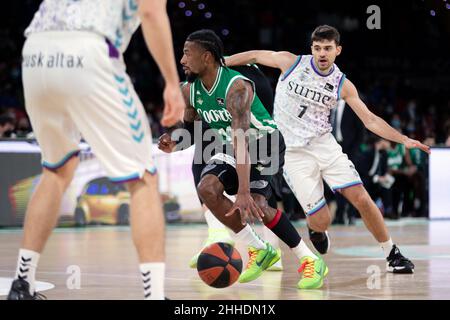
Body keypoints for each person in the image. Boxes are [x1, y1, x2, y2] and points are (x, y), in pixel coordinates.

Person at [8, 0, 184, 300]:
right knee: (143, 176)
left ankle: (22, 283)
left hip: (35, 51)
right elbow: (152, 11)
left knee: (56, 169)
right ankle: (153, 296)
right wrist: (171, 82)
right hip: (88, 47)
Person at [226, 25, 430, 274]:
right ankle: (316, 230)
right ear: (312, 48)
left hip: (324, 146)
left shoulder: (342, 84)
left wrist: (403, 139)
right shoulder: (290, 62)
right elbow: (255, 55)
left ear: (338, 50)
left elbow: (371, 120)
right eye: (318, 48)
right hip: (292, 153)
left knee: (362, 198)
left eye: (328, 48)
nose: (322, 53)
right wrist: (223, 61)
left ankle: (392, 254)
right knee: (322, 220)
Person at [159, 29, 327, 289]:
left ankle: (310, 260)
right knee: (207, 189)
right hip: (232, 145)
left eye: (186, 53)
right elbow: (191, 130)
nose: (181, 60)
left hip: (266, 144)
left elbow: (242, 140)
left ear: (206, 58)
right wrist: (173, 141)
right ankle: (257, 248)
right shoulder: (189, 90)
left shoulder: (236, 87)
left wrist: (245, 191)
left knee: (257, 204)